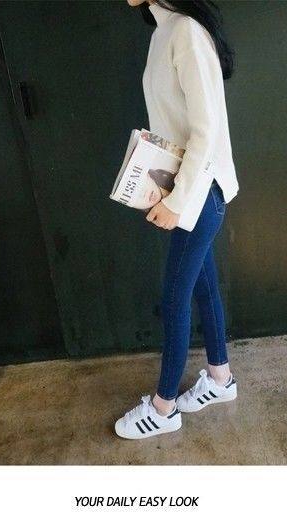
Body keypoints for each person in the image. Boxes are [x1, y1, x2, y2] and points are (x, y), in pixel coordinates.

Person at [115, 0, 240, 439]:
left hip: (201, 193)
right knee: (203, 289)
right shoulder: (163, 32)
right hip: (187, 190)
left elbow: (207, 130)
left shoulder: (186, 31)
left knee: (174, 299)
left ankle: (163, 408)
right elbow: (174, 128)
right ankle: (221, 378)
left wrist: (179, 201)